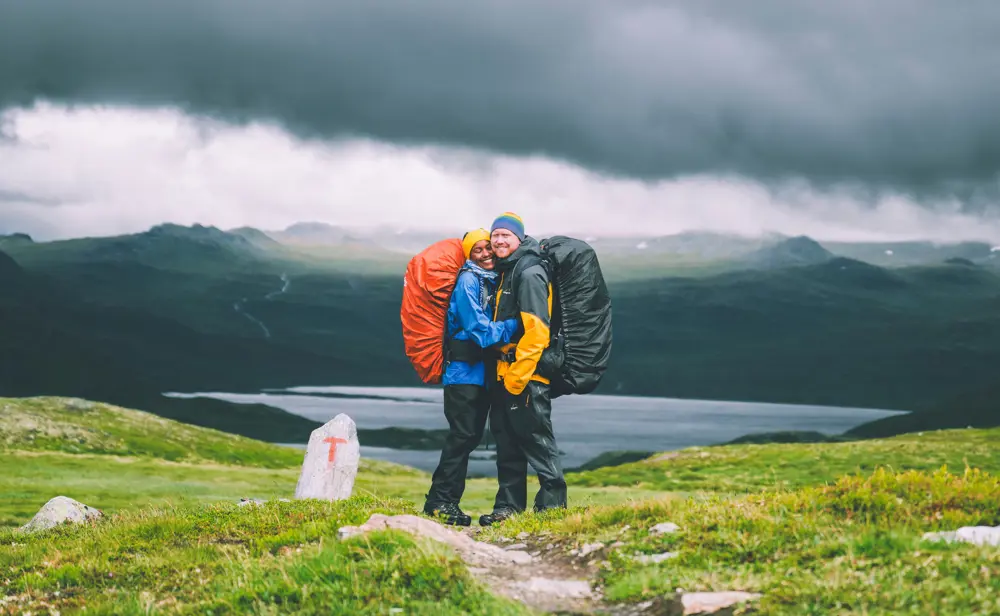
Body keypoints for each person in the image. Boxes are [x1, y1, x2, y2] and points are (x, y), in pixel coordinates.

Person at [423, 228, 518, 526]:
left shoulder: (492, 280)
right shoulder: (467, 281)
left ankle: (445, 502)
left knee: (468, 436)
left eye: (488, 247)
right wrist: (518, 325)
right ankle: (440, 503)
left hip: (480, 375)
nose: (486, 253)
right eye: (477, 250)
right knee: (463, 436)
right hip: (463, 374)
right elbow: (479, 331)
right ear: (468, 255)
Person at [479, 212, 568, 527]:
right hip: (506, 375)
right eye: (496, 235)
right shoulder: (508, 270)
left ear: (519, 238)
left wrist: (518, 377)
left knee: (537, 443)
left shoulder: (528, 273)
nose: (499, 241)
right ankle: (508, 510)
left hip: (527, 377)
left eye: (506, 235)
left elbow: (537, 332)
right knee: (508, 444)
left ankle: (552, 512)